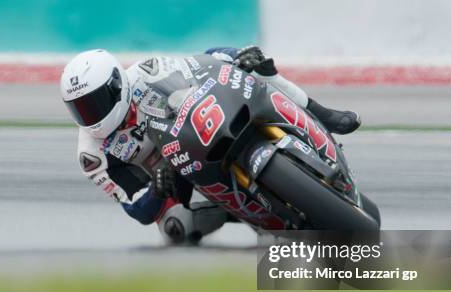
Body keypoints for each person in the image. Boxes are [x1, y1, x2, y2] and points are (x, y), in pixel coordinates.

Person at [60, 46, 360, 244]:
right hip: (174, 180)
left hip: (201, 124)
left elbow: (201, 62)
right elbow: (135, 206)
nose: (91, 115)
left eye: (95, 103)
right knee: (175, 228)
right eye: (81, 108)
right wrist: (156, 189)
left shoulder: (145, 72)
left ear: (117, 85)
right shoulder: (92, 154)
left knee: (259, 69)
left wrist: (237, 54)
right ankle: (253, 214)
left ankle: (321, 114)